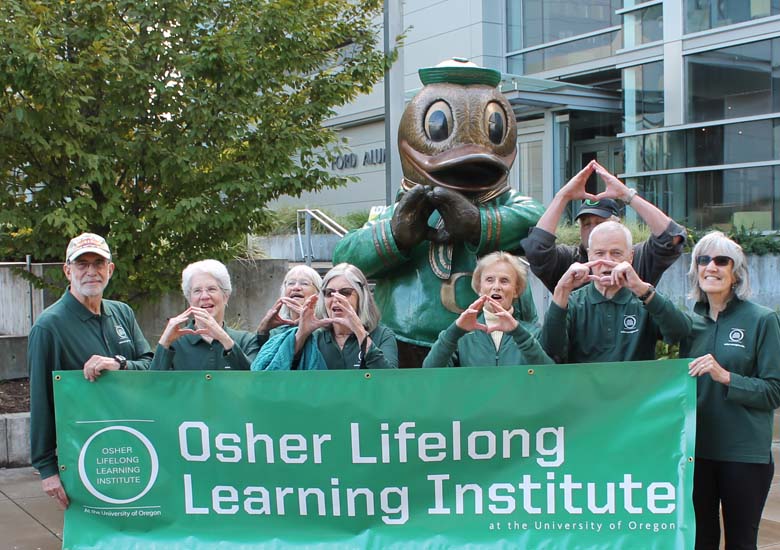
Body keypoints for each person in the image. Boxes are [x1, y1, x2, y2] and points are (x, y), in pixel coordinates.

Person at [28, 233, 153, 508]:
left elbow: (150, 366)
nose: (91, 271)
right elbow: (41, 400)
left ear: (110, 269)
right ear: (67, 270)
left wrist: (119, 364)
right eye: (82, 264)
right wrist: (47, 469)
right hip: (84, 452)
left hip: (133, 444)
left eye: (98, 263)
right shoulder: (49, 327)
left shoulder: (123, 313)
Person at [681, 231, 780, 550]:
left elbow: (774, 391)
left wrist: (726, 376)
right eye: (703, 260)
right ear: (695, 269)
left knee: (741, 542)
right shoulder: (687, 322)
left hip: (744, 454)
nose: (711, 267)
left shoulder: (762, 320)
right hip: (697, 453)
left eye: (721, 261)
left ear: (736, 272)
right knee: (701, 541)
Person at [521, 160, 686, 294]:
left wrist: (627, 195)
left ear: (617, 224)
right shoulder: (569, 261)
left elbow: (672, 237)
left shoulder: (637, 257)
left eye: (599, 223)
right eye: (586, 224)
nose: (593, 229)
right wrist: (562, 197)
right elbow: (536, 249)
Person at [540, 221, 690, 363]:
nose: (607, 260)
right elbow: (551, 350)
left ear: (630, 257)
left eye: (616, 253)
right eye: (599, 253)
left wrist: (642, 289)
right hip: (585, 389)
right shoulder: (573, 303)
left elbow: (681, 332)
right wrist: (561, 291)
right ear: (589, 255)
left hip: (637, 389)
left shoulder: (644, 299)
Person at [252, 263, 398, 370]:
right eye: (329, 293)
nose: (336, 299)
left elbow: (390, 382)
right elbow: (277, 372)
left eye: (345, 292)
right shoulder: (315, 337)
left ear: (362, 297)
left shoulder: (382, 335)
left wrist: (359, 331)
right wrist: (302, 333)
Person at [423, 252, 552, 368]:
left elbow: (549, 374)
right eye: (489, 280)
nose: (496, 286)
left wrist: (518, 333)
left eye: (504, 281)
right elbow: (429, 371)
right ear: (479, 288)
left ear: (516, 290)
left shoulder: (533, 334)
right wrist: (455, 331)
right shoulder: (462, 337)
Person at [150, 259, 263, 370]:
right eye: (197, 291)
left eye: (211, 289)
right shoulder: (174, 344)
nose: (204, 296)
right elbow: (153, 385)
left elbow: (254, 383)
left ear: (226, 296)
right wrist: (164, 342)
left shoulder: (247, 341)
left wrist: (225, 340)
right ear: (189, 300)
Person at [255, 264, 322, 346]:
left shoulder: (324, 329)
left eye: (304, 283)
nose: (296, 287)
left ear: (318, 293)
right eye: (291, 283)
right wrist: (262, 331)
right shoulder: (275, 332)